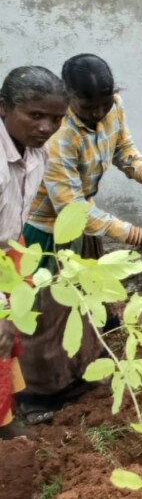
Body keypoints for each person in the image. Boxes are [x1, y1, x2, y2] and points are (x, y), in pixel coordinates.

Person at [18, 54, 142, 424]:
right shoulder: (57, 136)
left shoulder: (112, 109)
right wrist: (138, 235)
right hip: (43, 230)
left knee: (82, 305)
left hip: (78, 227)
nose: (98, 112)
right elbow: (74, 210)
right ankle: (40, 394)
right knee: (46, 316)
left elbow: (123, 149)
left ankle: (79, 372)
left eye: (105, 103)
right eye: (89, 106)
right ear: (68, 97)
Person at [0, 67, 68, 440]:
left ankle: (7, 414)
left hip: (9, 252)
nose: (46, 127)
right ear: (3, 108)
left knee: (11, 339)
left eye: (56, 118)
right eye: (35, 115)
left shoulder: (36, 154)